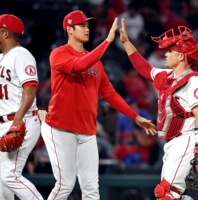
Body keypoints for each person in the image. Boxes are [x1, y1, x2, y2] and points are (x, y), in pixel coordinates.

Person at [40, 10, 157, 200]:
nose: (87, 29)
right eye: (82, 25)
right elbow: (79, 66)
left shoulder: (97, 63)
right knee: (66, 185)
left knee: (92, 189)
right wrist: (108, 41)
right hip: (61, 128)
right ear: (69, 29)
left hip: (87, 131)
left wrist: (136, 117)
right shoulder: (59, 54)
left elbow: (110, 93)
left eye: (88, 26)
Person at [119, 18, 198, 200]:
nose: (165, 54)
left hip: (187, 140)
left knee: (165, 193)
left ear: (181, 56)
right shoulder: (167, 77)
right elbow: (144, 69)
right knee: (172, 194)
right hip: (172, 143)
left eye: (170, 51)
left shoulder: (193, 81)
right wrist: (126, 43)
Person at [0, 14, 43, 200]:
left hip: (21, 121)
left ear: (5, 34)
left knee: (10, 175)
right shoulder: (2, 57)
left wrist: (18, 120)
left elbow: (30, 89)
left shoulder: (22, 55)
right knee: (2, 179)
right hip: (5, 121)